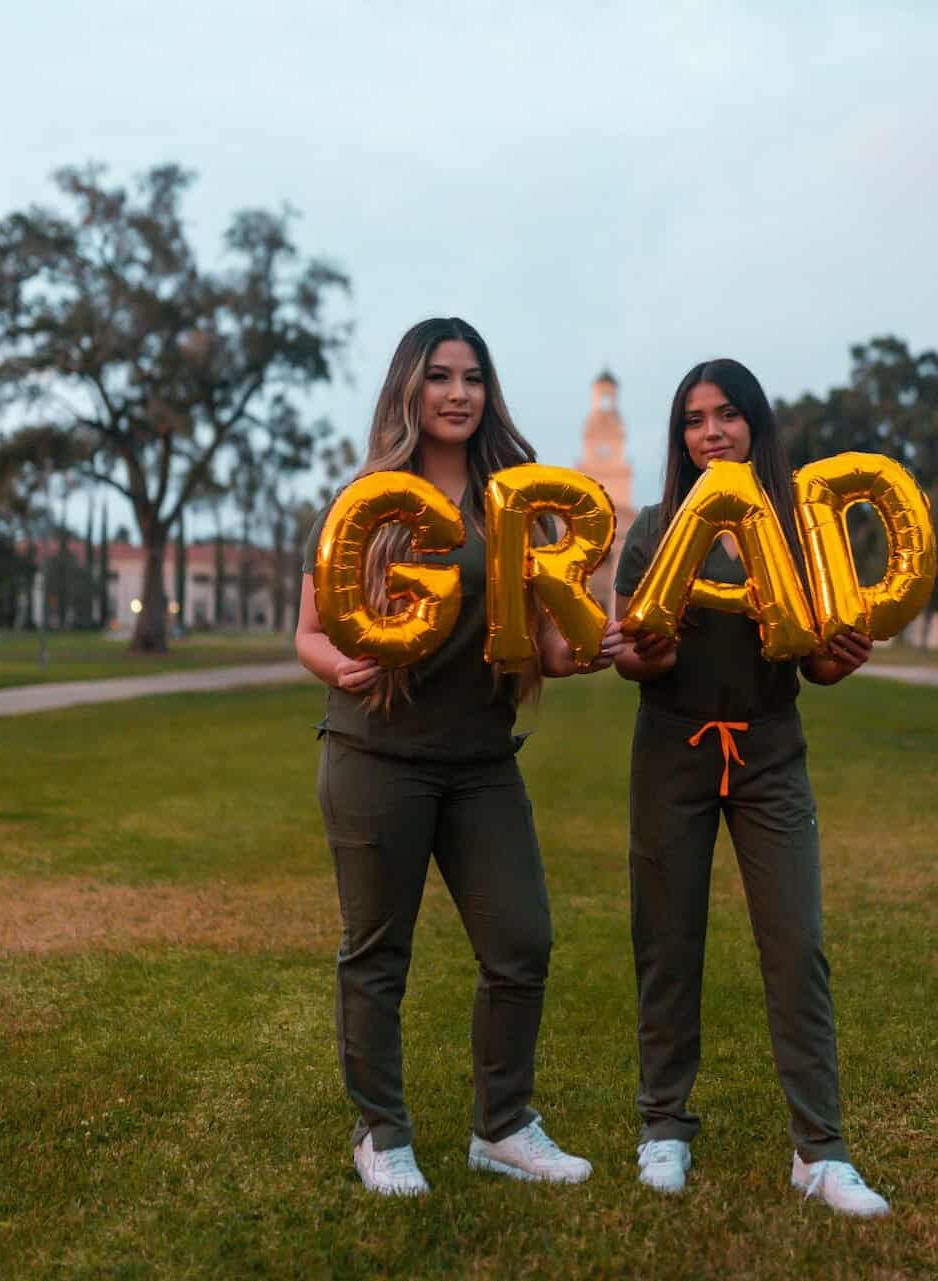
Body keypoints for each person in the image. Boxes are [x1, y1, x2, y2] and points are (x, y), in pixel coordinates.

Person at [295, 317, 626, 1197]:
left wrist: (589, 646)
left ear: (489, 391)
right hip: (377, 753)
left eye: (472, 377)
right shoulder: (365, 501)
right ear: (410, 388)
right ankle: (382, 1133)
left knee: (522, 940)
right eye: (439, 376)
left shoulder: (514, 499)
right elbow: (308, 633)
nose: (457, 393)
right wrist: (343, 664)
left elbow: (547, 646)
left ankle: (503, 1126)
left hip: (481, 758)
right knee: (377, 954)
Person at [612, 358, 889, 1217]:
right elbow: (632, 650)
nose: (711, 432)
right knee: (668, 940)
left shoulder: (802, 531)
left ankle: (820, 1150)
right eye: (694, 420)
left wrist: (837, 662)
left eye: (728, 415)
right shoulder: (656, 527)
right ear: (680, 438)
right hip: (673, 747)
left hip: (769, 750)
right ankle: (664, 1125)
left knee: (797, 942)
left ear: (756, 427)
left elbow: (816, 662)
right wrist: (639, 654)